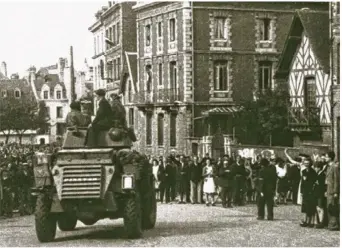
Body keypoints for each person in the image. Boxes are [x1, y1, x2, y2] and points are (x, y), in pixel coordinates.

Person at [325, 151, 339, 231]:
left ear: (330, 157)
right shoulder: (328, 167)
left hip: (332, 191)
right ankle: (331, 223)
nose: (325, 158)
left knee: (333, 207)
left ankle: (335, 224)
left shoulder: (334, 167)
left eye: (326, 157)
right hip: (328, 189)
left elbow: (337, 180)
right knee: (329, 206)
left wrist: (336, 192)